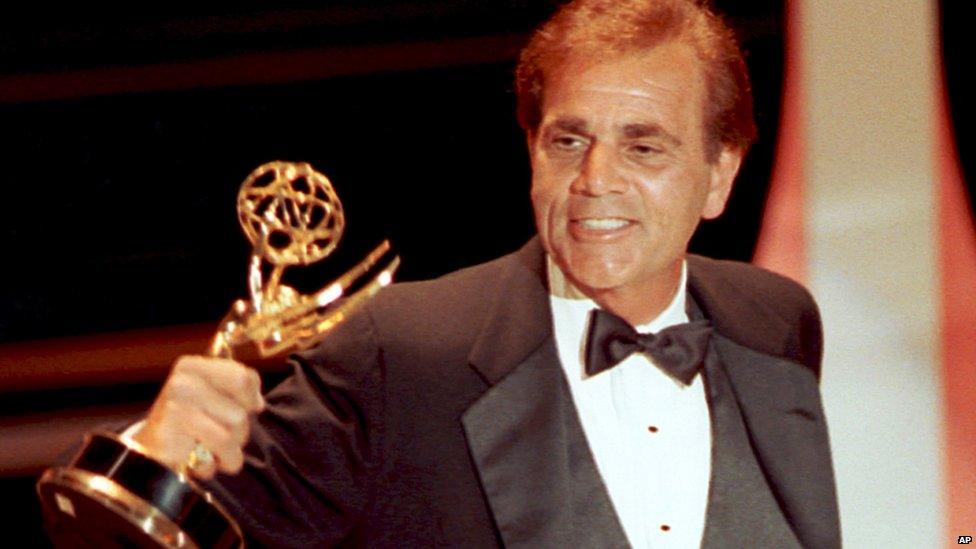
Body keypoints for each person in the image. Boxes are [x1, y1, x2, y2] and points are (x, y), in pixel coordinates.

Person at [130, 0, 841, 547]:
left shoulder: (776, 322)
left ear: (721, 176)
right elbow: (176, 525)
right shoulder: (400, 353)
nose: (595, 180)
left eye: (643, 146)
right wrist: (150, 462)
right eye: (569, 140)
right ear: (533, 149)